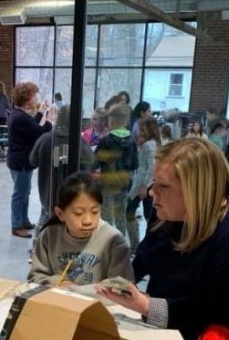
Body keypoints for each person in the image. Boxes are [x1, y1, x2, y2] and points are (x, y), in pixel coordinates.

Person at [97, 138, 229, 340]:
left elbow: (217, 312)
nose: (152, 192)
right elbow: (142, 261)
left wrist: (146, 306)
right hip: (158, 331)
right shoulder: (167, 214)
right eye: (154, 182)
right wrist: (114, 281)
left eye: (164, 186)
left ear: (197, 190)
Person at [28, 172, 133, 286]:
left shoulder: (114, 241)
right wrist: (59, 283)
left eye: (94, 212)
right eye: (78, 213)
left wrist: (74, 291)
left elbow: (122, 288)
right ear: (60, 214)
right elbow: (35, 277)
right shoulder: (49, 235)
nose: (88, 220)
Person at [30, 105, 94, 238]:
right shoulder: (79, 142)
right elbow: (91, 162)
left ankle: (37, 249)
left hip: (47, 193)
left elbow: (32, 160)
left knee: (45, 221)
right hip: (71, 194)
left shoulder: (46, 139)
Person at [6, 81, 52, 238]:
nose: (36, 99)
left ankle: (23, 220)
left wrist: (41, 112)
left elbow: (31, 125)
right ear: (26, 99)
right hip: (21, 161)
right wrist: (50, 120)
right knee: (20, 194)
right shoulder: (20, 118)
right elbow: (40, 131)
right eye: (34, 96)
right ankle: (16, 225)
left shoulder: (18, 115)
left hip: (19, 160)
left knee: (24, 193)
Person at [94, 103, 137, 236]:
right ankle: (119, 245)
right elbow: (134, 164)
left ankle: (107, 245)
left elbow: (95, 162)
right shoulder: (131, 142)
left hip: (108, 184)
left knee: (106, 217)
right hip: (124, 184)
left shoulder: (105, 141)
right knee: (121, 217)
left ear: (111, 121)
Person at [126, 117, 161, 247]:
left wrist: (144, 186)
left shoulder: (148, 145)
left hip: (143, 185)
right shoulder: (151, 144)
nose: (140, 132)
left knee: (133, 212)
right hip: (144, 184)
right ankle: (143, 244)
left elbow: (151, 168)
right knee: (148, 215)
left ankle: (137, 245)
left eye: (142, 129)